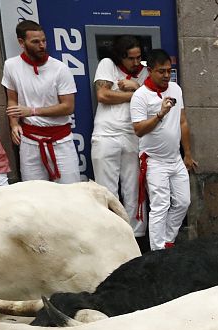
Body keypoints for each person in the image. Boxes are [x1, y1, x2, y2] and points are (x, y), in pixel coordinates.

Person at [130, 49, 198, 250]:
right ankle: (157, 253)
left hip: (175, 159)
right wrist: (160, 115)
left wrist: (188, 154)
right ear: (149, 71)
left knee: (184, 202)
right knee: (160, 206)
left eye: (169, 70)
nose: (167, 75)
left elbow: (183, 122)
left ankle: (167, 241)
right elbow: (138, 130)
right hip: (154, 160)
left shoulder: (175, 89)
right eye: (161, 71)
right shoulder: (140, 96)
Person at [2, 20, 80, 184]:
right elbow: (12, 99)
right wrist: (14, 124)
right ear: (21, 42)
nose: (42, 45)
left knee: (70, 193)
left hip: (61, 140)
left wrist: (32, 111)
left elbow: (68, 107)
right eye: (36, 42)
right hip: (29, 141)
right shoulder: (11, 65)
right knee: (34, 195)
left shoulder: (60, 68)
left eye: (44, 40)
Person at [91, 35, 149, 245]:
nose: (136, 63)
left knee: (134, 190)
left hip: (132, 135)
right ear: (120, 57)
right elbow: (103, 95)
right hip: (106, 134)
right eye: (131, 59)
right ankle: (110, 239)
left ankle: (137, 240)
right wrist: (136, 94)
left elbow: (152, 98)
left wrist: (135, 87)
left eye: (139, 57)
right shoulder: (107, 65)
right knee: (107, 191)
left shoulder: (143, 72)